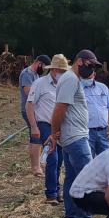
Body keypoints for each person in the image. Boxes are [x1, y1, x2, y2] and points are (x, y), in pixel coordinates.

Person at [47, 49, 101, 218]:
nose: (92, 69)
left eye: (94, 67)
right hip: (76, 138)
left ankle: (71, 215)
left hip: (71, 137)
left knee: (71, 178)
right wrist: (54, 134)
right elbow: (59, 109)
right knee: (88, 176)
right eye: (90, 65)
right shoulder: (70, 79)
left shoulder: (70, 79)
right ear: (80, 62)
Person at [26, 54, 69, 204]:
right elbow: (29, 105)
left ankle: (57, 190)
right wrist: (34, 127)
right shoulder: (39, 84)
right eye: (62, 71)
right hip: (45, 125)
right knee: (53, 157)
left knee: (60, 159)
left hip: (60, 126)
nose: (64, 74)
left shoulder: (65, 85)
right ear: (54, 70)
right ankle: (51, 194)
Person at [20, 55, 52, 175]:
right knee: (36, 136)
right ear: (39, 63)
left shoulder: (36, 75)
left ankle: (40, 164)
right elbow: (28, 92)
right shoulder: (27, 74)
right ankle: (36, 168)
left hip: (36, 110)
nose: (44, 70)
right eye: (44, 67)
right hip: (28, 110)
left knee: (38, 137)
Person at [82, 68, 109, 156]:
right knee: (89, 162)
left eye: (89, 77)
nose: (87, 80)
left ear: (94, 75)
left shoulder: (103, 88)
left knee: (107, 161)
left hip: (104, 132)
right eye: (85, 78)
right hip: (87, 133)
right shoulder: (78, 89)